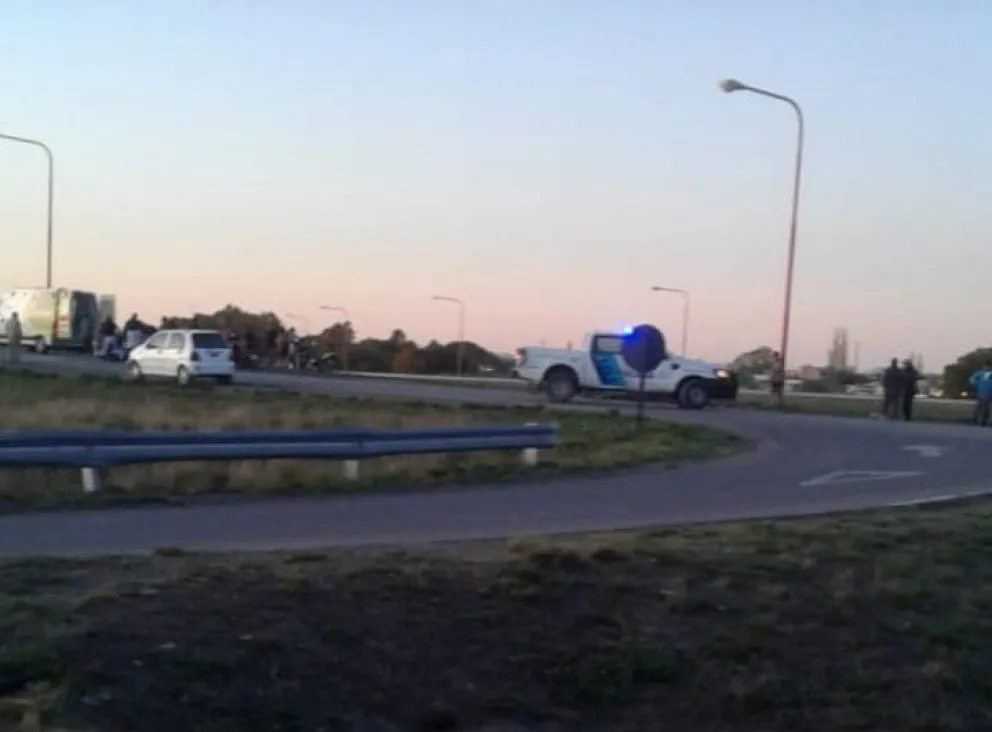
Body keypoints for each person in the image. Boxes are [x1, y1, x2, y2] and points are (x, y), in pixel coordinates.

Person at [970, 361, 992, 427]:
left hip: (989, 392)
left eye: (987, 366)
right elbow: (972, 380)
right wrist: (976, 384)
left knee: (984, 406)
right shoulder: (979, 373)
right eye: (985, 366)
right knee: (981, 406)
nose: (986, 368)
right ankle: (980, 419)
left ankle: (982, 419)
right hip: (981, 392)